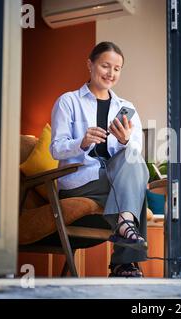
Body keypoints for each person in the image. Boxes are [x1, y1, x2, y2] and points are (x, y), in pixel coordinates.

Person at [50, 41, 149, 277]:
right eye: (106, 66)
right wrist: (81, 142)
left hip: (113, 178)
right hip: (80, 181)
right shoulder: (68, 101)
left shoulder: (126, 106)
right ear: (90, 64)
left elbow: (136, 155)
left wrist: (125, 140)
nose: (111, 73)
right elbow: (55, 149)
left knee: (133, 160)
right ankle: (124, 263)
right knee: (136, 190)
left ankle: (124, 225)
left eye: (117, 69)